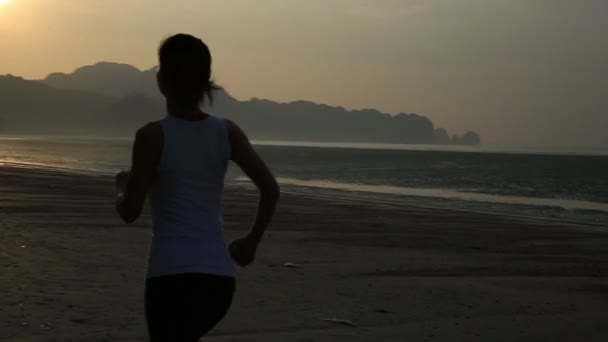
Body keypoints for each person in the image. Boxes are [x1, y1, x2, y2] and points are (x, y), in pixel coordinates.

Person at [114, 33, 280, 342]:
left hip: (170, 276)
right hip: (218, 280)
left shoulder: (152, 137)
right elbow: (270, 189)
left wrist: (122, 187)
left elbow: (130, 212)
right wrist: (251, 241)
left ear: (161, 80)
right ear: (207, 81)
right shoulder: (226, 132)